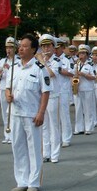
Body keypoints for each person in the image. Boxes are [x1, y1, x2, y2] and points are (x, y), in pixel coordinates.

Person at [6, 33, 51, 191]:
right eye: (20, 46)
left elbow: (46, 92)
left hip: (32, 114)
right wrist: (7, 95)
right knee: (18, 148)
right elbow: (8, 87)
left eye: (25, 46)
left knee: (34, 148)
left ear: (33, 49)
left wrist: (41, 112)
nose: (21, 49)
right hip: (16, 113)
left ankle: (34, 182)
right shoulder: (14, 68)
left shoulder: (39, 69)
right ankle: (22, 180)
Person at [36, 34, 62, 163]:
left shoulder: (56, 61)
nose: (46, 48)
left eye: (48, 45)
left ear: (53, 47)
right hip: (42, 96)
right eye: (43, 46)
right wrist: (41, 61)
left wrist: (42, 61)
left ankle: (55, 154)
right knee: (44, 126)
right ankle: (46, 152)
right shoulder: (39, 61)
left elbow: (51, 74)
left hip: (53, 96)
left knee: (54, 125)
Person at [0, 37, 19, 144]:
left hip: (14, 89)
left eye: (11, 47)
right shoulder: (2, 60)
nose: (9, 50)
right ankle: (7, 135)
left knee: (12, 113)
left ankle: (13, 135)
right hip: (3, 88)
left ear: (15, 48)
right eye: (7, 47)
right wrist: (2, 68)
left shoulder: (18, 60)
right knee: (4, 112)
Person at [55, 38, 74, 148]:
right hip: (53, 90)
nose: (56, 50)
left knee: (64, 114)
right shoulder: (50, 59)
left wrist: (60, 71)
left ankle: (66, 138)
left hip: (63, 90)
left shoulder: (67, 60)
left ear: (62, 48)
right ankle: (57, 137)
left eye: (58, 48)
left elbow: (72, 73)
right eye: (55, 48)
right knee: (54, 116)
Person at [73, 44, 96, 135]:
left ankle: (88, 128)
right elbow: (73, 75)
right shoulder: (76, 65)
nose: (81, 55)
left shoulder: (90, 65)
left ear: (86, 55)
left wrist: (83, 74)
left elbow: (94, 77)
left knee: (87, 109)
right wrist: (73, 81)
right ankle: (79, 128)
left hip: (87, 89)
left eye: (83, 53)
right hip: (78, 89)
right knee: (78, 109)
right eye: (80, 54)